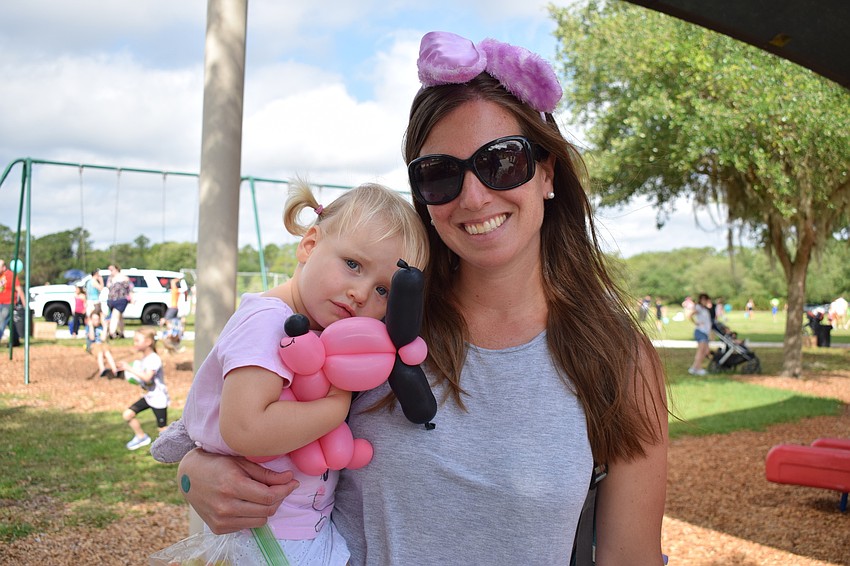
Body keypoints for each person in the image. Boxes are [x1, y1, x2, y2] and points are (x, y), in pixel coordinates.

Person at [165, 31, 669, 565]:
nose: (474, 197)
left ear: (547, 173)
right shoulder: (366, 321)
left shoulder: (620, 362)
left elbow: (630, 556)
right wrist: (197, 477)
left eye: (502, 162)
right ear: (422, 197)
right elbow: (199, 436)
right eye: (440, 174)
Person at [153, 180, 429, 564]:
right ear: (310, 244)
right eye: (353, 265)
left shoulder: (317, 331)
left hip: (298, 534)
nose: (361, 293)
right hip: (266, 542)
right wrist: (337, 404)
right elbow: (245, 428)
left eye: (383, 290)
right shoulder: (269, 323)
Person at [120, 326, 168, 450]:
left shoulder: (154, 359)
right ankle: (141, 437)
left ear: (148, 342)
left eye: (137, 340)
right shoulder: (145, 358)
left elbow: (147, 378)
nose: (134, 343)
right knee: (127, 415)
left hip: (158, 399)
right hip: (148, 397)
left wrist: (129, 369)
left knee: (163, 429)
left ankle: (177, 448)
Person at [86, 311, 118, 378]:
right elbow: (92, 338)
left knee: (107, 352)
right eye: (94, 319)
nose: (96, 321)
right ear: (91, 320)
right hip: (93, 345)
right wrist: (91, 326)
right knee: (100, 352)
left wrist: (105, 327)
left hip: (102, 345)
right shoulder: (88, 327)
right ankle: (102, 370)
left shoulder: (101, 327)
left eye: (97, 319)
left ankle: (115, 369)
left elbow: (103, 339)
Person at [0, 259, 25, 344]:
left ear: (3, 267)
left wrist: (24, 304)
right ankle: (15, 340)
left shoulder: (11, 275)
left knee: (2, 320)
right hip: (0, 302)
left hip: (8, 303)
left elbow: (19, 290)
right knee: (10, 322)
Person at [106, 264, 133, 338]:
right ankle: (122, 333)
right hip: (112, 299)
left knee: (115, 315)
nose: (111, 272)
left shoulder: (124, 278)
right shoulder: (110, 278)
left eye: (112, 270)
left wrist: (132, 298)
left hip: (121, 299)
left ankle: (112, 333)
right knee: (119, 317)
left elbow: (130, 289)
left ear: (117, 269)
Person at [689, 293, 713, 375]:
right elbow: (690, 315)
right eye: (702, 299)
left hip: (705, 332)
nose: (704, 301)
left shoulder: (705, 309)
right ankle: (698, 368)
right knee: (700, 351)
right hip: (700, 332)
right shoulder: (698, 308)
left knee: (706, 351)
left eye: (705, 299)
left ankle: (694, 367)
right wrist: (696, 323)